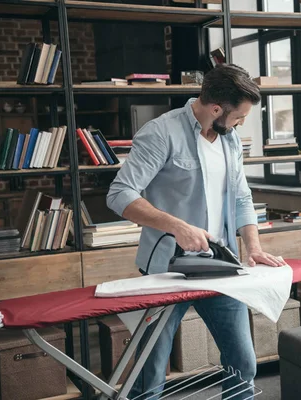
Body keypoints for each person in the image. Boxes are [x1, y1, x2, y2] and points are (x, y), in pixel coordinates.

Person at [106, 64, 285, 399]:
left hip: (220, 267)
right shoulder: (161, 133)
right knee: (152, 370)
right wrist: (177, 226)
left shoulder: (230, 140)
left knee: (243, 362)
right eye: (238, 117)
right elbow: (120, 194)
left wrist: (253, 246)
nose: (241, 124)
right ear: (216, 109)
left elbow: (241, 195)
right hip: (166, 267)